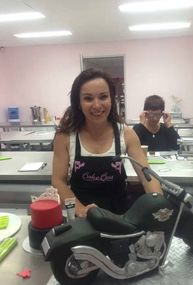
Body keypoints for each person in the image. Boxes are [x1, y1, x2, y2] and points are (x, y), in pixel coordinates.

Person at [52, 68, 162, 218]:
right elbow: (58, 181)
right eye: (88, 98)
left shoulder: (126, 134)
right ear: (78, 103)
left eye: (103, 97)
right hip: (82, 220)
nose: (97, 105)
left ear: (112, 99)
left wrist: (159, 206)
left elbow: (147, 177)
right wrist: (81, 210)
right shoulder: (65, 136)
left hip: (120, 217)